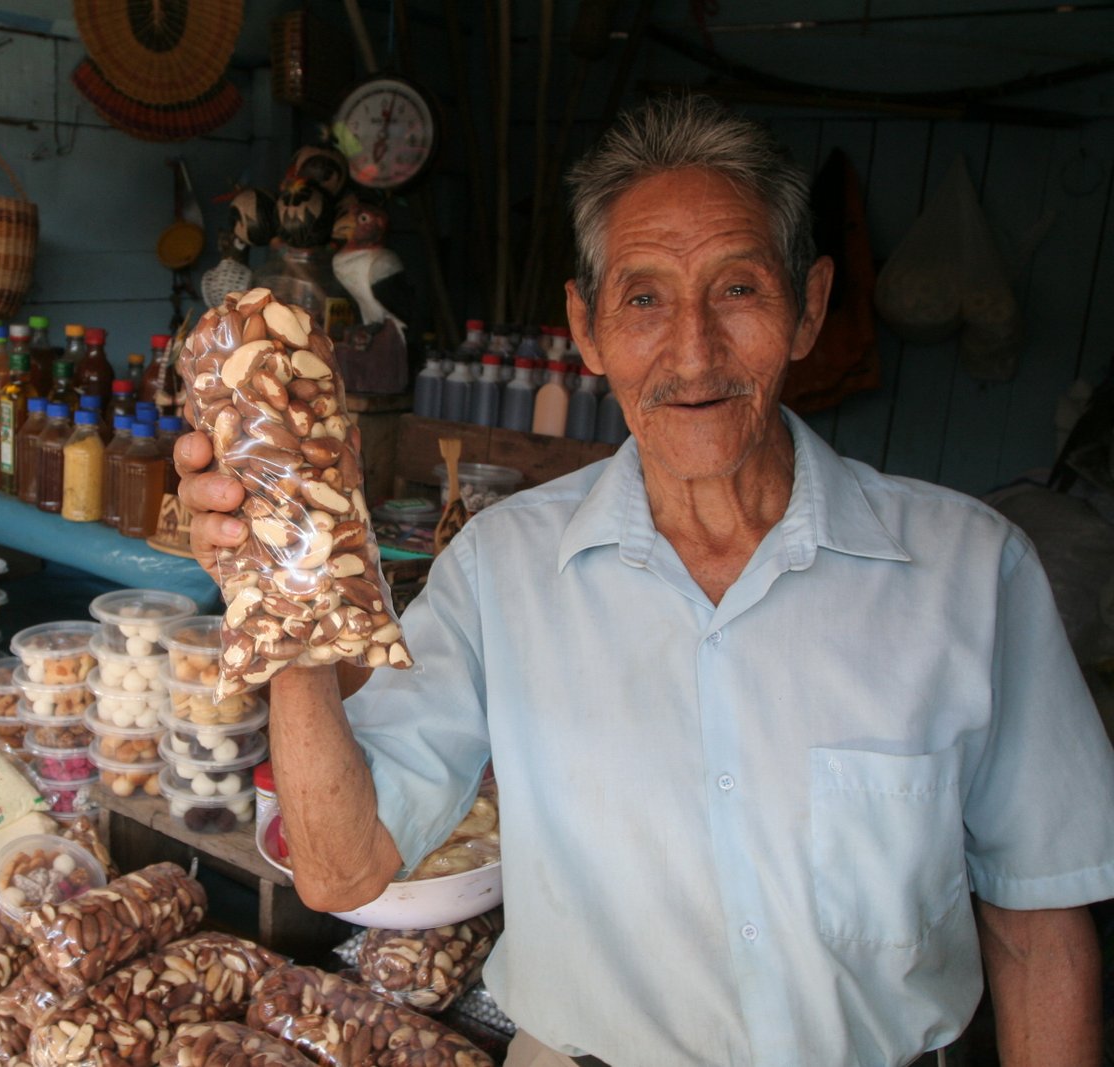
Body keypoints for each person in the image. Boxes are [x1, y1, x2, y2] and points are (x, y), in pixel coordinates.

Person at [176, 95, 1114, 1067]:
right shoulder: (501, 571)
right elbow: (338, 865)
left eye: (739, 288)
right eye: (644, 297)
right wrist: (276, 586)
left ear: (810, 307)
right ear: (586, 329)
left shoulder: (970, 570)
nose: (693, 351)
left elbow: (1038, 924)